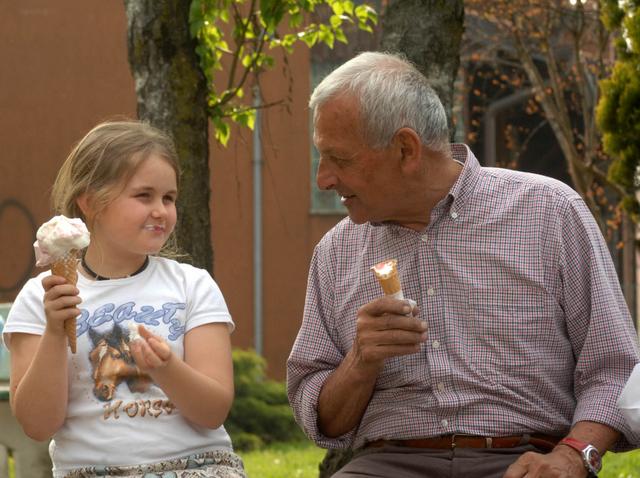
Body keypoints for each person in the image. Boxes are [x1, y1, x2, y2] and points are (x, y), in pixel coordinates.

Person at [286, 51, 640, 478]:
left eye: (339, 159)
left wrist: (571, 456)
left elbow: (614, 368)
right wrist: (360, 360)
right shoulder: (335, 253)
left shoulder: (549, 212)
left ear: (405, 148)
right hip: (387, 464)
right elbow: (322, 421)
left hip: (525, 460)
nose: (323, 178)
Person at [3, 121, 246, 478]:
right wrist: (55, 331)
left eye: (169, 198)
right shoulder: (41, 297)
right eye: (143, 196)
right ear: (90, 202)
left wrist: (166, 369)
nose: (161, 210)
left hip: (196, 467)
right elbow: (38, 425)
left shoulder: (193, 286)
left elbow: (213, 412)